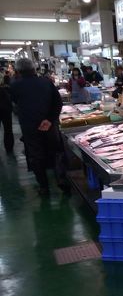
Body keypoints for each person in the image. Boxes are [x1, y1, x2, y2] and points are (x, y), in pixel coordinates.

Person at [10, 58, 69, 196]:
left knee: (36, 156)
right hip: (49, 126)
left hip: (30, 127)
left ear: (18, 71)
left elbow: (15, 105)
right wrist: (49, 120)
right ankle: (61, 179)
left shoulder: (15, 85)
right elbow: (58, 103)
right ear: (34, 68)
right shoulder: (46, 82)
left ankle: (43, 187)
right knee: (56, 152)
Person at [0, 74, 14, 154]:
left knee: (8, 130)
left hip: (6, 109)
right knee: (8, 130)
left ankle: (9, 147)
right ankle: (9, 148)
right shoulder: (5, 89)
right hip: (6, 110)